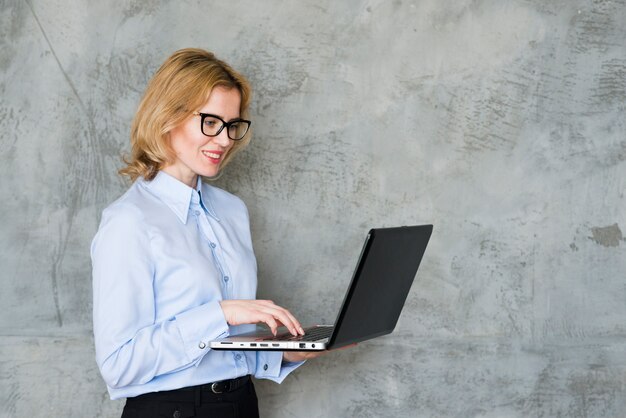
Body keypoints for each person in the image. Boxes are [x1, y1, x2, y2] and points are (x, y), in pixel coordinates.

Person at [92, 48, 326, 418]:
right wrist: (220, 313)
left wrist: (289, 351)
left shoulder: (232, 211)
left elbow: (229, 350)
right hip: (172, 411)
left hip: (241, 404)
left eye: (231, 125)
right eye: (211, 122)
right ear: (168, 116)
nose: (224, 140)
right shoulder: (129, 222)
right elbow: (119, 364)